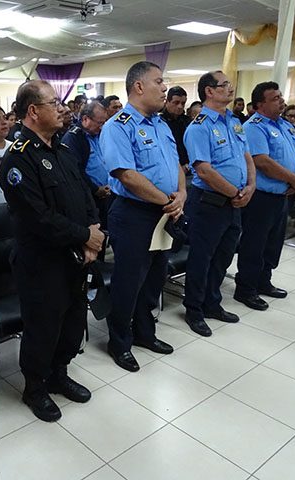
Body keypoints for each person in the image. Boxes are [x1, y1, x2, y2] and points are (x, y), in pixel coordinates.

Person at [0, 79, 103, 422]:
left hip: (75, 257)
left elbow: (85, 195)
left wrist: (93, 230)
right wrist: (84, 237)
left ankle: (59, 373)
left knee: (73, 322)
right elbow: (37, 217)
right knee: (43, 328)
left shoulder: (62, 149)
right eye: (54, 103)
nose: (62, 109)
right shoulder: (17, 160)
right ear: (33, 111)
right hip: (42, 262)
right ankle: (35, 387)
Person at [100, 61, 185, 371]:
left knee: (154, 278)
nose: (164, 88)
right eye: (158, 82)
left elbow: (176, 164)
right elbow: (127, 175)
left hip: (164, 212)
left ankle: (145, 333)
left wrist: (182, 193)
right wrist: (168, 201)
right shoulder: (118, 126)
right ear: (138, 86)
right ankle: (119, 342)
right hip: (134, 213)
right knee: (129, 282)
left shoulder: (161, 124)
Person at [183, 71, 256, 337]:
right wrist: (235, 193)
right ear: (209, 91)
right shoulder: (199, 127)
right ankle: (194, 310)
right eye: (224, 85)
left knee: (224, 256)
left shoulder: (234, 122)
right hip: (209, 203)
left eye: (230, 84)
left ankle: (212, 303)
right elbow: (204, 170)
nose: (230, 88)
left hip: (234, 203)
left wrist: (251, 186)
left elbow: (247, 156)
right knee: (201, 259)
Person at [234, 81, 295, 311]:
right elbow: (262, 162)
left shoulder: (284, 125)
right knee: (254, 244)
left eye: (280, 96)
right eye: (275, 98)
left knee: (273, 243)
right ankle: (246, 289)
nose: (281, 101)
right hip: (261, 198)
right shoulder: (254, 127)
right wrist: (293, 179)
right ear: (259, 105)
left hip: (282, 196)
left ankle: (264, 281)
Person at [61, 101, 112, 228]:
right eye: (100, 123)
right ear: (85, 119)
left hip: (107, 195)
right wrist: (95, 189)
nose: (102, 126)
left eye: (104, 122)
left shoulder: (99, 135)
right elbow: (75, 171)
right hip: (90, 198)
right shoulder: (73, 138)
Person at [161, 86, 191, 168]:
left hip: (189, 166)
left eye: (183, 103)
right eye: (176, 103)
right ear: (167, 102)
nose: (180, 106)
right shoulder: (159, 122)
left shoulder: (188, 122)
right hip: (168, 167)